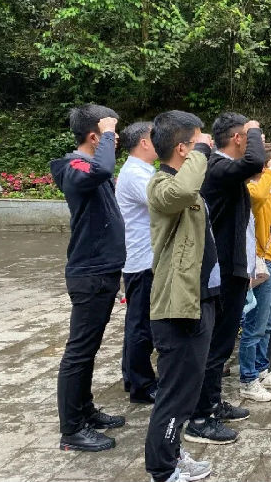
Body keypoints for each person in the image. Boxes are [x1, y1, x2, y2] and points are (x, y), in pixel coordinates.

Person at [144, 110, 216, 482]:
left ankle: (172, 454)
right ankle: (162, 470)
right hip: (176, 306)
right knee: (175, 392)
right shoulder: (161, 185)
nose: (207, 144)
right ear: (182, 148)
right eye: (199, 140)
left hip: (198, 300)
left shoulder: (187, 182)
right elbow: (183, 192)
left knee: (188, 389)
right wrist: (202, 152)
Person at [50, 104, 126, 452]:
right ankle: (72, 430)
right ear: (94, 136)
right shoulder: (74, 167)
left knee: (89, 348)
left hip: (103, 270)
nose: (116, 139)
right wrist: (108, 134)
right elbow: (103, 167)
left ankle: (85, 411)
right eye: (110, 133)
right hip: (89, 273)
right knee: (79, 352)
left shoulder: (91, 169)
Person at [187, 112, 266, 444]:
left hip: (234, 268)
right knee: (215, 344)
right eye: (248, 136)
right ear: (238, 138)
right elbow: (256, 162)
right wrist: (255, 129)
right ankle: (199, 418)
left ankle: (213, 402)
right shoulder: (217, 168)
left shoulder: (224, 170)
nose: (254, 142)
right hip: (221, 271)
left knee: (221, 343)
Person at [240, 143, 271, 403]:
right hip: (264, 263)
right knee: (255, 325)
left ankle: (261, 370)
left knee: (268, 323)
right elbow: (256, 197)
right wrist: (268, 170)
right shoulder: (253, 188)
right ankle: (248, 379)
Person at [115, 121, 159, 405]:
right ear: (144, 142)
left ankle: (132, 376)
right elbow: (162, 202)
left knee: (139, 322)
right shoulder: (134, 174)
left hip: (144, 257)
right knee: (141, 325)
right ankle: (141, 385)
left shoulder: (142, 170)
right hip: (141, 259)